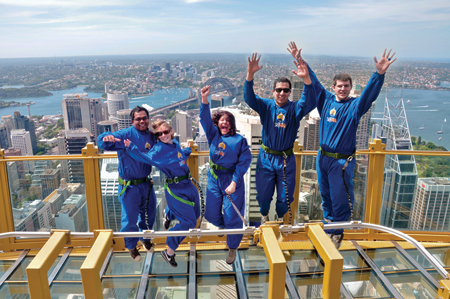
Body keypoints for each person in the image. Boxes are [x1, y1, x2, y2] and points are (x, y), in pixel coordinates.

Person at [288, 41, 396, 248]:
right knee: (325, 194)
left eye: (347, 86)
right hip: (323, 157)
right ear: (334, 88)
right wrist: (300, 59)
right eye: (340, 86)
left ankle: (337, 232)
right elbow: (315, 81)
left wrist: (378, 75)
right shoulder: (326, 100)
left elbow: (369, 95)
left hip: (341, 162)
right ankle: (328, 226)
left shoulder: (355, 106)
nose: (343, 89)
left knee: (340, 197)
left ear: (350, 88)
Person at [244, 53, 316, 224]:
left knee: (285, 198)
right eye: (278, 90)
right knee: (262, 195)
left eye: (285, 90)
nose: (282, 93)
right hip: (266, 158)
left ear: (290, 92)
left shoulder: (295, 108)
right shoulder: (266, 106)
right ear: (273, 91)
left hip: (286, 159)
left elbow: (310, 99)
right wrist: (250, 75)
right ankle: (264, 216)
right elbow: (249, 98)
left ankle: (280, 218)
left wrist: (306, 78)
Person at [124, 120, 200, 267]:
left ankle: (169, 213)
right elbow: (145, 157)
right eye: (159, 134)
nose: (163, 135)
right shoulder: (158, 150)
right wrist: (131, 147)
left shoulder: (176, 144)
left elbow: (179, 157)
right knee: (189, 222)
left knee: (195, 215)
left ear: (171, 131)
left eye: (165, 132)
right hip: (175, 189)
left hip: (188, 185)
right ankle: (169, 251)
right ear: (157, 137)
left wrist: (187, 151)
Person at [199, 85, 252, 264]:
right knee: (211, 214)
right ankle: (224, 227)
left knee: (232, 217)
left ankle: (232, 247)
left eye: (228, 120)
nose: (224, 122)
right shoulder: (213, 136)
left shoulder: (239, 140)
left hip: (232, 180)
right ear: (217, 123)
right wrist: (205, 100)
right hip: (214, 178)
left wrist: (235, 182)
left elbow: (244, 162)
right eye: (221, 119)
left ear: (231, 124)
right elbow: (204, 119)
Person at [97, 106, 157, 262]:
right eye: (138, 119)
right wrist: (106, 137)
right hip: (129, 186)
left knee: (149, 215)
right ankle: (131, 245)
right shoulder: (125, 135)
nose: (142, 121)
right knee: (129, 219)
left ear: (148, 119)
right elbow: (102, 141)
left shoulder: (151, 136)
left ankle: (145, 238)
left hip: (146, 183)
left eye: (144, 118)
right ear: (132, 121)